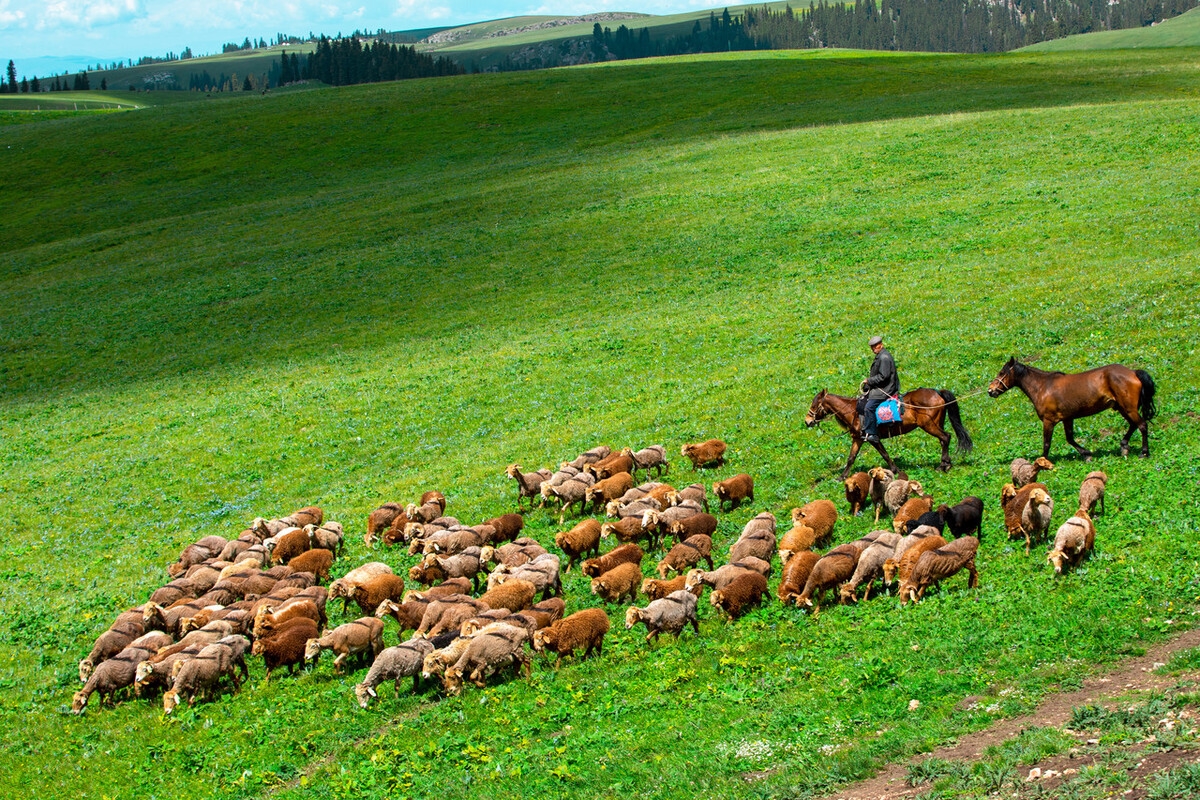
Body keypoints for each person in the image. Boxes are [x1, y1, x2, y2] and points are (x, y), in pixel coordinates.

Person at [858, 335, 899, 445]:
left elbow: (883, 376)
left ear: (880, 345)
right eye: (872, 347)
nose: (873, 349)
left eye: (875, 346)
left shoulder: (884, 358)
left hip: (886, 389)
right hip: (882, 386)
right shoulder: (881, 356)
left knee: (869, 407)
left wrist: (869, 381)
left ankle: (872, 433)